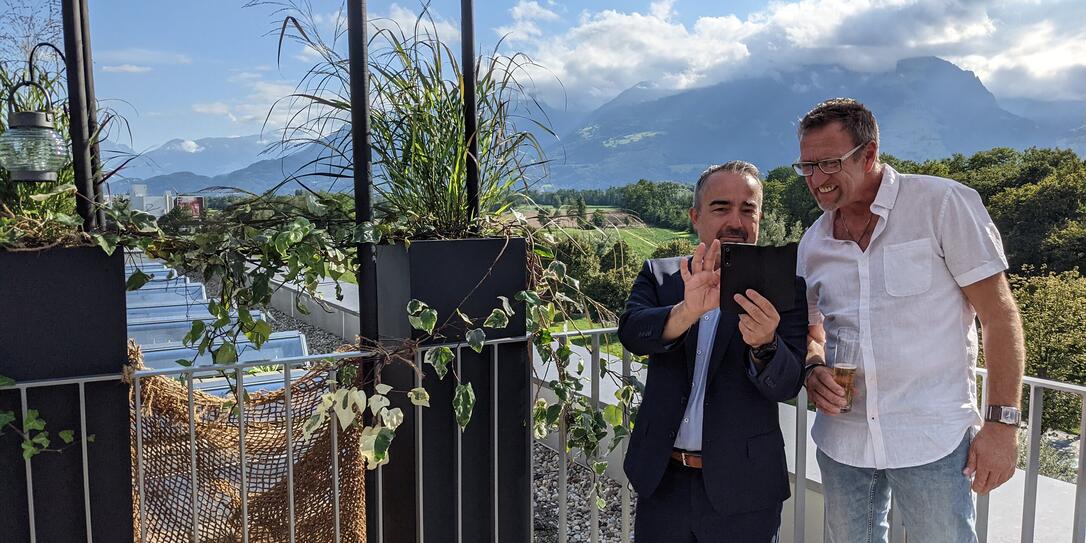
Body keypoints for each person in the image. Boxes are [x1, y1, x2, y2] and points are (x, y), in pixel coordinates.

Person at [794, 98, 1025, 543]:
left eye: (829, 164)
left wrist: (1002, 424)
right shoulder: (813, 242)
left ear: (869, 153)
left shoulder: (942, 204)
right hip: (843, 440)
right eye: (806, 166)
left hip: (931, 436)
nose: (817, 180)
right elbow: (811, 328)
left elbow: (999, 316)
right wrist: (813, 365)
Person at [618, 161, 808, 542]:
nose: (735, 221)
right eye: (721, 208)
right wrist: (686, 311)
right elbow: (632, 334)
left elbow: (786, 385)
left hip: (745, 491)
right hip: (663, 481)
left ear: (760, 217)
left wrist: (765, 344)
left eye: (747, 209)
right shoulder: (662, 276)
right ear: (695, 217)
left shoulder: (784, 288)